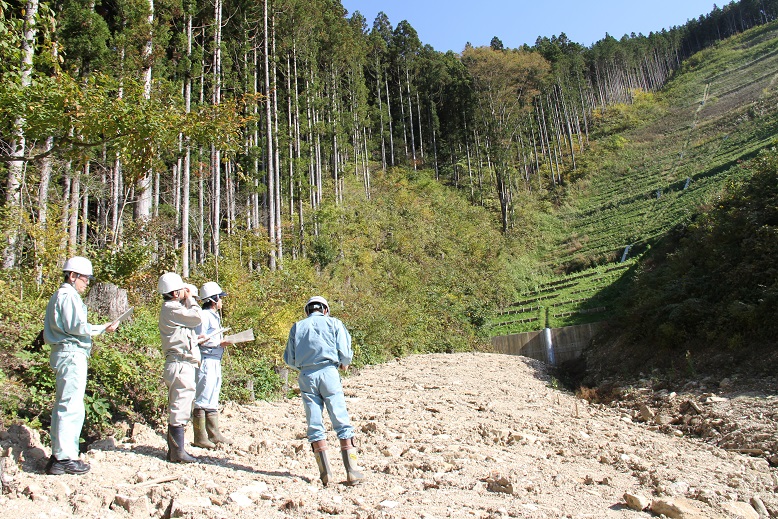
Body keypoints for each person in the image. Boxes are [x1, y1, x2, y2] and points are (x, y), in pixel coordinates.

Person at [43, 256, 120, 475]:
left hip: (67, 353)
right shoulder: (67, 296)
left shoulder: (63, 296)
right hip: (71, 354)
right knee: (71, 406)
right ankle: (65, 458)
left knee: (65, 405)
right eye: (85, 278)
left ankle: (59, 455)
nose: (87, 282)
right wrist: (102, 328)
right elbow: (76, 326)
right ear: (73, 276)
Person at [283, 296, 365, 486]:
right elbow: (344, 351)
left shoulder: (297, 326)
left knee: (314, 423)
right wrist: (344, 363)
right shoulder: (334, 323)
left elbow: (289, 358)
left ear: (307, 311)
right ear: (325, 310)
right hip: (329, 373)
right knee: (341, 419)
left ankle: (325, 474)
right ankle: (352, 471)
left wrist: (304, 367)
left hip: (306, 375)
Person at [158, 272, 202, 463]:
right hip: (180, 364)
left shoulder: (173, 309)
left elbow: (183, 333)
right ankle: (177, 452)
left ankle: (176, 451)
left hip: (180, 362)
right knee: (179, 406)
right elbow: (197, 317)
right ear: (175, 293)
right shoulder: (172, 309)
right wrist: (191, 298)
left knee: (182, 404)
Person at [192, 281, 233, 449]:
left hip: (215, 360)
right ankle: (200, 436)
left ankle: (214, 434)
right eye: (220, 298)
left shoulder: (213, 316)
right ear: (214, 299)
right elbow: (198, 339)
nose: (222, 301)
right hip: (206, 360)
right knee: (203, 396)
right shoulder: (204, 316)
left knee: (212, 395)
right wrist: (219, 343)